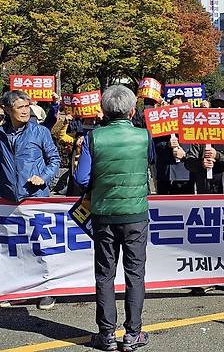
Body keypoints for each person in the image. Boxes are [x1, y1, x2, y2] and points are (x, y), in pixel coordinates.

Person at [73, 85, 152, 351]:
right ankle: (133, 334)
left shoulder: (94, 138)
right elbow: (148, 164)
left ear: (104, 110)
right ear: (132, 110)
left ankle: (106, 334)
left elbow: (82, 178)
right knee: (135, 274)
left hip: (104, 215)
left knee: (105, 274)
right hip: (136, 215)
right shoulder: (144, 136)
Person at [0, 90, 61, 311]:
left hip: (35, 198)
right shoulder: (0, 134)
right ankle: (13, 290)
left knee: (41, 245)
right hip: (8, 200)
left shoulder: (40, 132)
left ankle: (46, 292)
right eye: (20, 107)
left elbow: (54, 159)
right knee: (13, 248)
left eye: (27, 106)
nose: (25, 110)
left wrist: (42, 177)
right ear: (7, 109)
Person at [185, 91, 224, 195]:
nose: (219, 110)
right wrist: (201, 163)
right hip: (207, 190)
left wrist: (218, 155)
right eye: (215, 106)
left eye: (222, 106)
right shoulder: (200, 132)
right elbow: (189, 162)